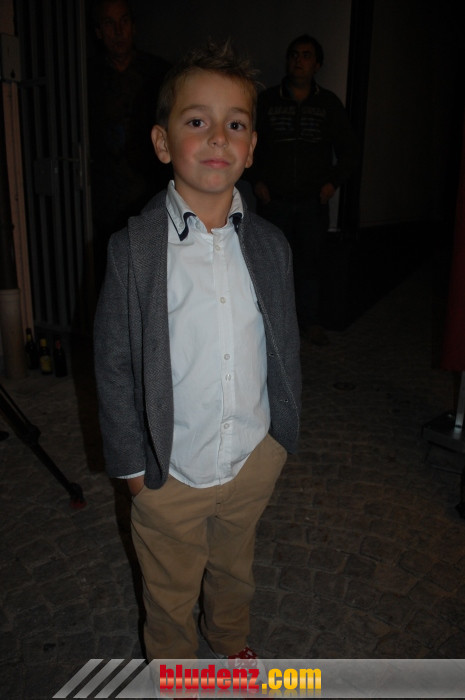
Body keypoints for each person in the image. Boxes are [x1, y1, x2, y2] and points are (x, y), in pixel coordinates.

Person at [93, 42, 301, 661]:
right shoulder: (134, 252)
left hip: (250, 459)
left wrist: (278, 440)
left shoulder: (271, 246)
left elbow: (282, 343)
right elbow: (112, 363)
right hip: (170, 472)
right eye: (196, 121)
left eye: (235, 124)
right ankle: (177, 670)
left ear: (251, 147)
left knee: (235, 569)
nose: (217, 137)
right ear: (162, 143)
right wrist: (133, 470)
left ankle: (230, 643)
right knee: (170, 589)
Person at [251, 34, 358, 346]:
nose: (299, 60)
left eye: (306, 55)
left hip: (312, 202)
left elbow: (350, 152)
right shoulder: (267, 101)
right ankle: (269, 325)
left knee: (310, 264)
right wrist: (257, 180)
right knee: (271, 264)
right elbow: (246, 143)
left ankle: (310, 322)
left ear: (317, 64)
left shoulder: (328, 104)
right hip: (274, 200)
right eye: (294, 54)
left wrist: (332, 183)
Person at [88, 0, 170, 285]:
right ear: (99, 31)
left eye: (123, 21)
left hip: (150, 186)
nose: (118, 31)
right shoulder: (87, 77)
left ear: (134, 26)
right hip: (104, 192)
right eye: (109, 23)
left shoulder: (159, 73)